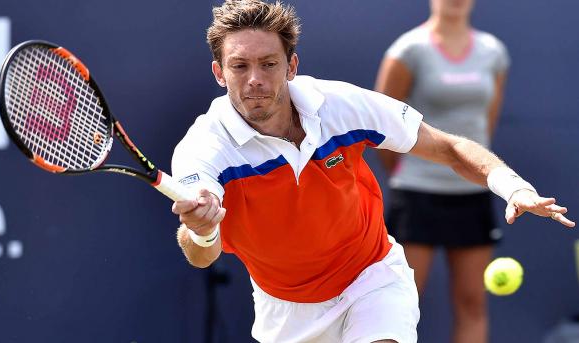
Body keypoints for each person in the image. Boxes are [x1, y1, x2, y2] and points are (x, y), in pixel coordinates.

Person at [170, 1, 575, 342]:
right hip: (285, 309)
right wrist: (202, 229)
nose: (255, 80)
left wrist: (513, 187)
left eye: (268, 64)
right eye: (239, 66)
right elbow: (202, 255)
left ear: (291, 66)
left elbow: (448, 147)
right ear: (219, 73)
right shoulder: (203, 150)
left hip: (371, 277)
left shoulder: (341, 106)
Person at [373, 1, 517, 342]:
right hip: (416, 194)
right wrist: (415, 172)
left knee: (472, 305)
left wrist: (473, 170)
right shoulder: (408, 49)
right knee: (400, 306)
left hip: (472, 196)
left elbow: (486, 125)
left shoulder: (493, 52)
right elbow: (383, 126)